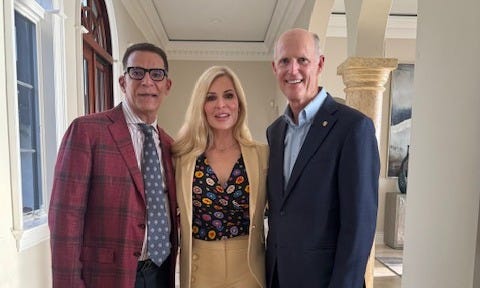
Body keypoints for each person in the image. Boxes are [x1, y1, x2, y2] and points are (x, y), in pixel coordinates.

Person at [49, 43, 178, 288]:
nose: (147, 82)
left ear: (167, 86)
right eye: (137, 72)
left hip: (160, 273)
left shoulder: (171, 146)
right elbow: (64, 219)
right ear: (122, 82)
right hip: (107, 276)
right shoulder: (87, 131)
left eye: (157, 74)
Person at [265, 28, 380, 288]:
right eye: (284, 61)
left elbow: (359, 227)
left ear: (320, 64)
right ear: (275, 68)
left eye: (302, 60)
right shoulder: (275, 132)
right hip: (279, 277)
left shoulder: (353, 128)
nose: (292, 70)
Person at [172, 66, 268, 288]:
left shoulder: (261, 155)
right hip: (200, 269)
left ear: (239, 102)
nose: (221, 105)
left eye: (228, 95)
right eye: (211, 97)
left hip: (249, 269)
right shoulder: (183, 158)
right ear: (201, 106)